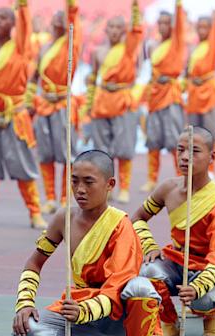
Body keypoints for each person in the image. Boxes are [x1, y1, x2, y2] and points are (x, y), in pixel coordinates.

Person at [12, 150, 159, 336]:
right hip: (76, 308)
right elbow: (34, 263)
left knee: (141, 288)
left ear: (110, 184)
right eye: (74, 180)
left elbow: (118, 285)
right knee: (26, 331)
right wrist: (24, 304)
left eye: (88, 182)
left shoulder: (120, 224)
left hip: (117, 313)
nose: (79, 189)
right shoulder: (63, 217)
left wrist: (84, 310)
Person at [133, 126, 215, 336]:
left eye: (193, 151)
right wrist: (149, 246)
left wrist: (197, 288)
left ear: (212, 156)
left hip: (210, 268)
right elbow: (137, 218)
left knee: (204, 299)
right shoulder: (167, 188)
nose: (184, 157)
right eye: (180, 150)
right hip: (178, 261)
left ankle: (211, 315)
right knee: (146, 272)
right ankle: (169, 321)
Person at [0, 0, 47, 229]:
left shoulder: (20, 47)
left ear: (14, 23)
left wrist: (21, 5)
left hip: (15, 115)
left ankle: (35, 213)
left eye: (3, 18)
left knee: (23, 166)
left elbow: (24, 20)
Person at [86, 0, 143, 204]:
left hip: (122, 101)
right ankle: (105, 187)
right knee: (102, 149)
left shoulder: (129, 48)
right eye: (111, 26)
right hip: (101, 102)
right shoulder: (98, 52)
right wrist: (88, 106)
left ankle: (125, 187)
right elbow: (92, 79)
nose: (114, 30)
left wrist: (135, 8)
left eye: (119, 27)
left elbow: (137, 30)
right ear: (106, 29)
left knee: (124, 148)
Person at [30, 0, 81, 215]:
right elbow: (34, 78)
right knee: (45, 154)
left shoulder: (71, 43)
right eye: (56, 18)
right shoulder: (43, 49)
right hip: (43, 107)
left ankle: (64, 197)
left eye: (64, 18)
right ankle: (50, 197)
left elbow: (73, 14)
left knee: (66, 153)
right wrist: (30, 100)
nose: (59, 21)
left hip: (63, 105)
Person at [141, 0, 185, 192]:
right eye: (161, 23)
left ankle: (180, 176)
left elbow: (180, 26)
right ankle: (152, 178)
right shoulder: (152, 46)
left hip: (170, 96)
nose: (163, 26)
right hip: (154, 97)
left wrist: (178, 6)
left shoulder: (176, 43)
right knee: (153, 140)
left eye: (167, 22)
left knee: (174, 139)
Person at [185, 0, 215, 173]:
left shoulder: (212, 44)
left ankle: (211, 169)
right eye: (199, 27)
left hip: (209, 93)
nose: (202, 30)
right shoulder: (194, 48)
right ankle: (194, 167)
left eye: (205, 27)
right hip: (194, 94)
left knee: (211, 133)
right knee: (194, 133)